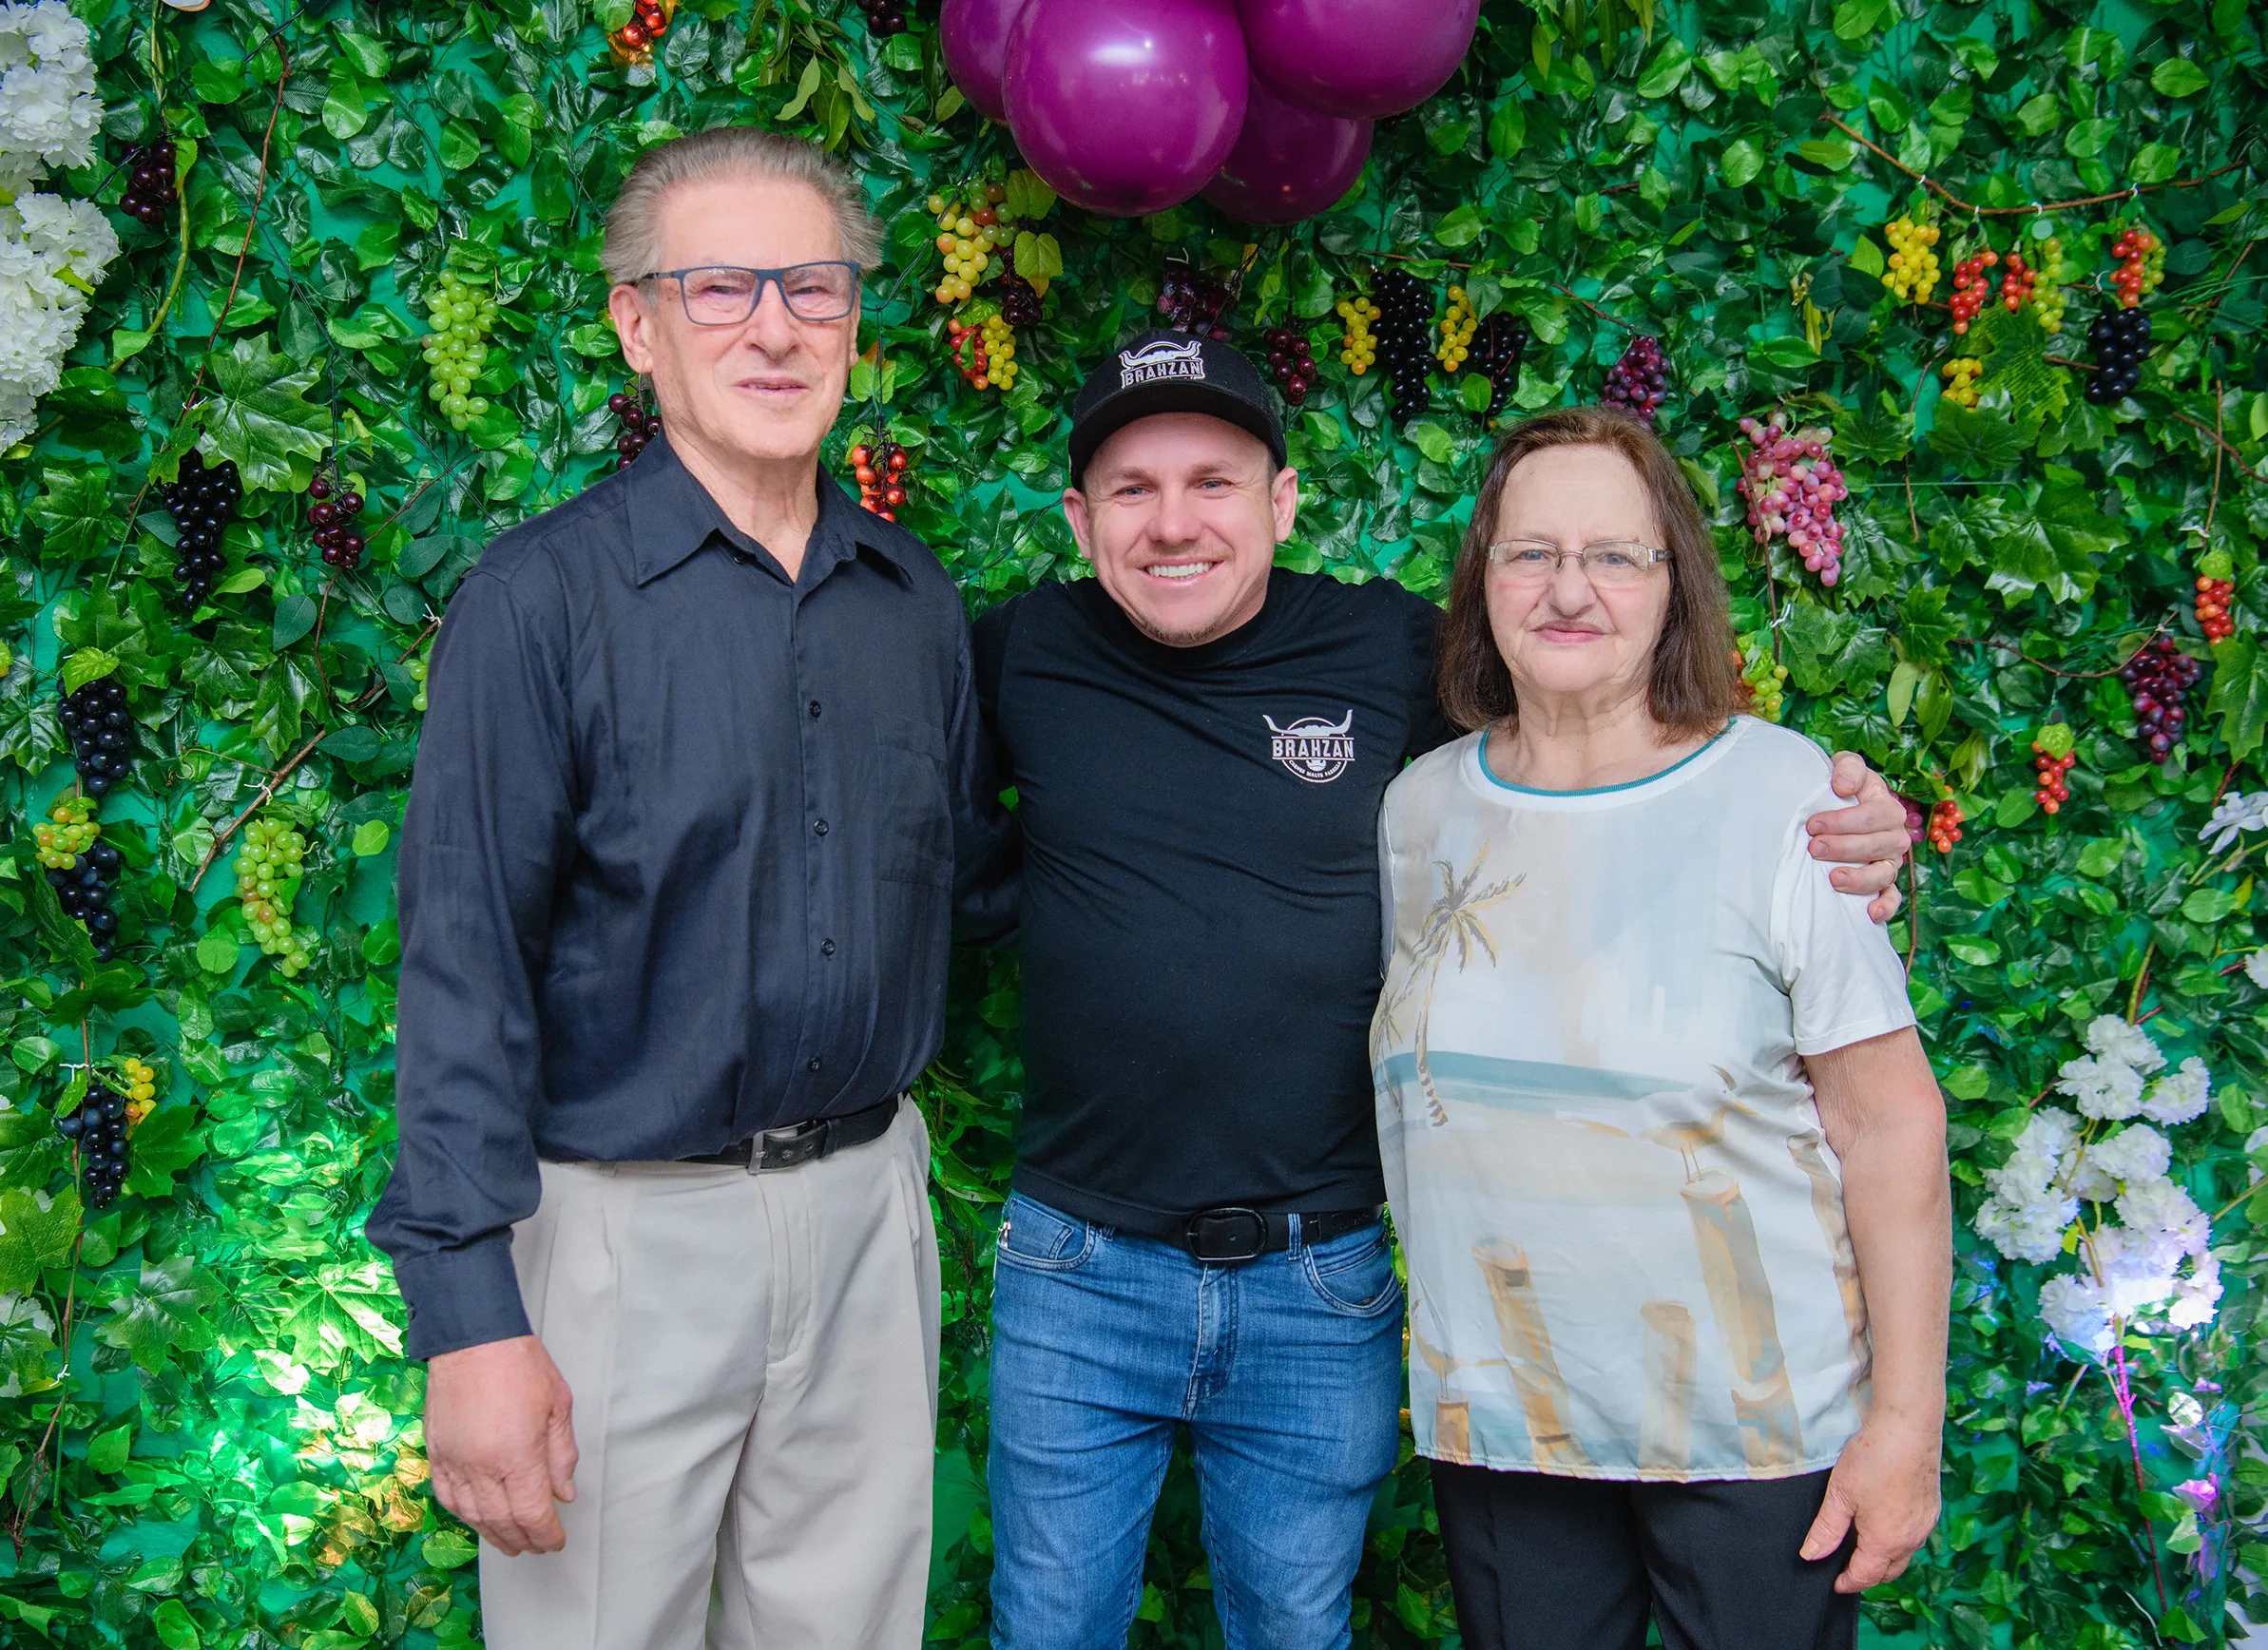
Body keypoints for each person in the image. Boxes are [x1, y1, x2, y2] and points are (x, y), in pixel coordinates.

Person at [973, 335, 1919, 1650]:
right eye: (1131, 489)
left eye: (1213, 481)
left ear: (1282, 500)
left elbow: (1602, 737)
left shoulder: (1387, 655)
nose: (1174, 521)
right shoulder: (1021, 657)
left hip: (1341, 1285)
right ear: (1077, 518)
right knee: (1048, 1624)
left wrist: (1856, 817)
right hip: (1111, 1275)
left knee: (1295, 1626)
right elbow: (878, 803)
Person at [367, 127, 1006, 1650]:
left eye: (814, 288)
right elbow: (463, 973)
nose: (774, 327)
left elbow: (974, 887)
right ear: (637, 325)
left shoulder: (915, 606)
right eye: (719, 288)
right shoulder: (536, 603)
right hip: (618, 1241)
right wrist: (471, 1327)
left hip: (865, 1214)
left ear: (857, 320)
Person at [1371, 405, 1951, 1650]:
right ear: (1481, 582)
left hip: (1754, 1436)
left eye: (1613, 555)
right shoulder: (1420, 813)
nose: (1567, 589)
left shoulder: (1786, 799)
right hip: (1506, 1418)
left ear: (1671, 583)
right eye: (1529, 553)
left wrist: (1904, 1428)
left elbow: (1889, 1122)